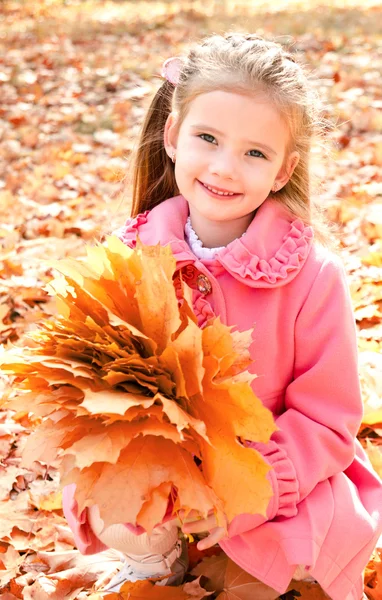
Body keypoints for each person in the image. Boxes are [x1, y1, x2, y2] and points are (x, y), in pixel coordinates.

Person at [62, 33, 382, 600]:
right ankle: (157, 561)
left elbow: (326, 421)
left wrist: (247, 488)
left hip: (272, 479)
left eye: (255, 152)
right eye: (207, 138)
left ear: (284, 170)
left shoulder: (310, 275)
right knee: (115, 505)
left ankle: (244, 563)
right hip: (165, 473)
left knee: (275, 570)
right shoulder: (131, 255)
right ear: (172, 136)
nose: (225, 167)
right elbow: (99, 384)